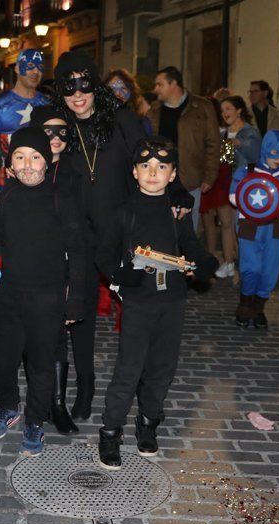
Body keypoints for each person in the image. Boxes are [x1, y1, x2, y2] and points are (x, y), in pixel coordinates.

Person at [51, 51, 190, 422]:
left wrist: (177, 195)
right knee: (77, 309)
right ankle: (85, 386)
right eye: (68, 86)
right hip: (75, 232)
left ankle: (147, 392)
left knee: (139, 312)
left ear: (95, 85)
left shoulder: (122, 120)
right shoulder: (57, 125)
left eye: (84, 84)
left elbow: (151, 160)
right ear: (59, 91)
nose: (77, 94)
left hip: (120, 230)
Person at [95, 137, 217, 469]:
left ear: (172, 173)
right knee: (129, 369)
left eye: (162, 167)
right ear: (134, 172)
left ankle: (148, 422)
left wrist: (204, 262)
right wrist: (121, 277)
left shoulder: (177, 212)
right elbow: (103, 254)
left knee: (162, 367)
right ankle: (110, 430)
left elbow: (190, 245)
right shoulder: (122, 211)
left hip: (173, 301)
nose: (153, 172)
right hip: (137, 303)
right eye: (145, 166)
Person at [0, 127, 85, 457]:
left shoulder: (61, 201)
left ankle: (35, 421)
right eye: (20, 157)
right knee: (2, 358)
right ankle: (9, 407)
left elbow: (79, 251)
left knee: (41, 363)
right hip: (11, 292)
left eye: (35, 157)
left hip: (48, 296)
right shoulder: (7, 198)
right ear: (10, 163)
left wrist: (75, 299)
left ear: (47, 163)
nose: (27, 164)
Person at [27, 105, 83, 434]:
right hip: (30, 262)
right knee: (31, 335)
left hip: (62, 262)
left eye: (62, 131)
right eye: (48, 131)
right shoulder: (27, 167)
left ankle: (58, 403)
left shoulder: (76, 171)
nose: (56, 138)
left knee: (59, 333)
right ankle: (40, 396)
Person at [229, 130, 279, 327]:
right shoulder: (247, 170)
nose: (278, 159)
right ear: (266, 149)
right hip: (249, 225)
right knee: (250, 268)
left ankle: (258, 307)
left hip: (274, 227)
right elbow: (234, 193)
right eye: (274, 153)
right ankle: (245, 304)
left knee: (270, 270)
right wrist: (247, 197)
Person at [149, 66, 220, 230]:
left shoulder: (202, 107)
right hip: (159, 180)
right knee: (160, 230)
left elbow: (213, 143)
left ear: (173, 84)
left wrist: (210, 176)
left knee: (187, 231)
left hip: (190, 180)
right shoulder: (154, 109)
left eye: (160, 85)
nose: (155, 89)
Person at [0, 48, 50, 196]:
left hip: (42, 185)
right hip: (6, 187)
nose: (35, 71)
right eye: (29, 66)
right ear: (17, 68)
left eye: (40, 67)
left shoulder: (48, 104)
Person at [214, 95, 261, 278]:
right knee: (227, 224)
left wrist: (238, 143)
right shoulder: (223, 133)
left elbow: (255, 156)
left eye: (228, 109)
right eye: (222, 110)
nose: (225, 113)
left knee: (243, 227)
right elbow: (224, 161)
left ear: (239, 110)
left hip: (245, 185)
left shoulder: (250, 132)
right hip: (225, 183)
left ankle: (245, 265)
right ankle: (228, 262)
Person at [199, 97, 238, 284]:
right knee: (208, 222)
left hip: (221, 180)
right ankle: (210, 259)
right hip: (208, 178)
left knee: (225, 222)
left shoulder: (225, 133)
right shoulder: (208, 131)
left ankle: (228, 261)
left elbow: (226, 161)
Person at [104, 69, 153, 135]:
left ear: (131, 91)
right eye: (113, 89)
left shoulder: (141, 122)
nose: (118, 93)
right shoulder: (99, 120)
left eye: (123, 88)